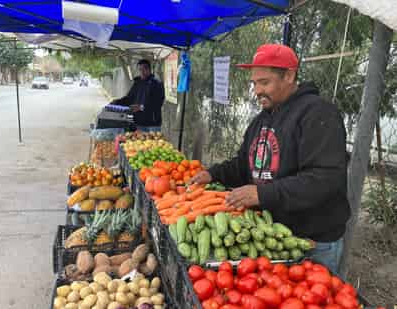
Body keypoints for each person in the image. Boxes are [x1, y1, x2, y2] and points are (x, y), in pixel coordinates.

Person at [189, 44, 350, 273]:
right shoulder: (261, 121)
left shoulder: (318, 114)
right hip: (273, 239)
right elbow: (244, 163)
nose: (256, 90)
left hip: (314, 241)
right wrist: (212, 174)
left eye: (264, 82)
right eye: (254, 83)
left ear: (289, 76)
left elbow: (323, 178)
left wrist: (262, 194)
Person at [110, 59, 165, 132]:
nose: (142, 72)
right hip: (138, 122)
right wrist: (117, 102)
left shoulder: (157, 84)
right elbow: (129, 98)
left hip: (152, 124)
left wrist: (141, 107)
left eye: (144, 69)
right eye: (140, 69)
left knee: (153, 143)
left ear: (149, 69)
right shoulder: (137, 83)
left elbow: (158, 103)